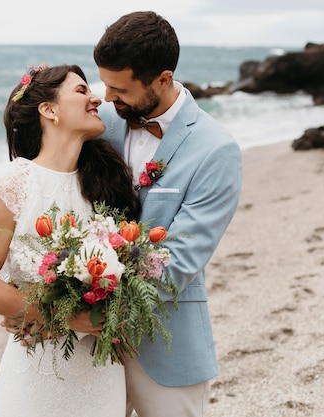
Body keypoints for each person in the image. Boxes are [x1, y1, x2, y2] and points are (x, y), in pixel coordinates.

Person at [0, 64, 140, 417]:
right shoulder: (16, 182)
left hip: (101, 372)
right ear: (49, 110)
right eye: (81, 91)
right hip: (37, 370)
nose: (95, 98)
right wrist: (68, 317)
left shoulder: (107, 185)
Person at [92, 11, 243, 417]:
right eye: (104, 84)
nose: (107, 98)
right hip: (86, 349)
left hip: (166, 339)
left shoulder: (216, 150)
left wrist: (90, 312)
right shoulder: (101, 122)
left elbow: (179, 260)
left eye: (118, 88)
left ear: (162, 78)